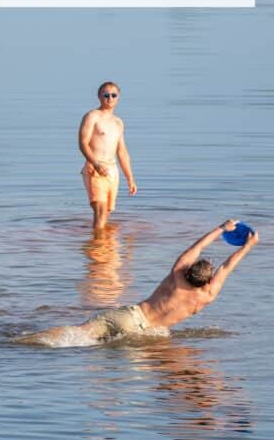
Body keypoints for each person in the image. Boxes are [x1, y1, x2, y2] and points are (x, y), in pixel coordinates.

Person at [22, 220, 259, 344]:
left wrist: (221, 228)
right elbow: (228, 267)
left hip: (130, 316)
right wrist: (247, 246)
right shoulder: (206, 297)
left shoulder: (177, 275)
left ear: (189, 271)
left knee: (78, 333)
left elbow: (197, 248)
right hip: (147, 335)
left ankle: (27, 341)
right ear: (208, 280)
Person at [78, 81, 138, 231]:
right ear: (99, 97)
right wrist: (96, 164)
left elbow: (122, 151)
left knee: (106, 214)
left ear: (118, 98)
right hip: (95, 168)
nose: (109, 98)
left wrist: (130, 178)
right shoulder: (92, 116)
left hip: (112, 171)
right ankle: (97, 249)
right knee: (100, 212)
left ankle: (105, 250)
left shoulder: (118, 122)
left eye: (113, 95)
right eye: (106, 95)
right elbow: (83, 143)